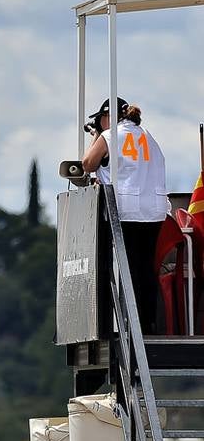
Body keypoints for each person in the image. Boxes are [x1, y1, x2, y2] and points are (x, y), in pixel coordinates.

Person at [81, 97, 170, 332]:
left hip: (128, 208)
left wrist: (95, 138)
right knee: (146, 266)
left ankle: (134, 323)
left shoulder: (110, 135)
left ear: (109, 117)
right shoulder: (146, 135)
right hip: (154, 209)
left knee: (130, 268)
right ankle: (149, 321)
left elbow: (88, 164)